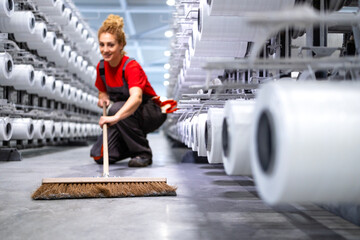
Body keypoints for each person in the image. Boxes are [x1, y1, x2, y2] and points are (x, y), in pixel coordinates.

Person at [90, 14, 168, 167]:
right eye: (102, 44)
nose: (105, 50)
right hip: (127, 116)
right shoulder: (101, 68)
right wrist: (103, 98)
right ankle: (131, 142)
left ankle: (143, 153)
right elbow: (102, 92)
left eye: (110, 45)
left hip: (151, 111)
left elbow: (137, 98)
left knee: (117, 108)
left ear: (121, 45)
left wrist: (115, 118)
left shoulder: (130, 66)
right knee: (99, 155)